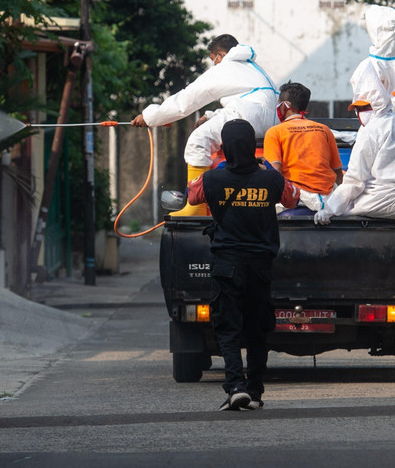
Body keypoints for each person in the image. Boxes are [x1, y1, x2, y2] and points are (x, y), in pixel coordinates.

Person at [187, 119, 300, 410]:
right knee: (257, 329)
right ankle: (256, 391)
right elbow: (292, 198)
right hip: (260, 267)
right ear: (252, 146)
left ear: (225, 148)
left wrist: (222, 168)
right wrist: (267, 168)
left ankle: (236, 386)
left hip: (227, 265)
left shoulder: (212, 179)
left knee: (228, 327)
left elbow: (192, 195)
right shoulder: (271, 179)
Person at [130, 34, 279, 215]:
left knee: (198, 141)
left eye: (213, 59)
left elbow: (186, 100)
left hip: (247, 118)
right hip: (269, 122)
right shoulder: (255, 69)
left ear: (220, 55)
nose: (214, 64)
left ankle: (196, 206)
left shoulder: (225, 68)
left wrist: (149, 117)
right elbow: (249, 103)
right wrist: (211, 116)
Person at [313, 69, 395, 224]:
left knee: (345, 206)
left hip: (388, 203)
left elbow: (355, 181)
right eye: (357, 110)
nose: (358, 113)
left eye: (361, 108)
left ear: (376, 105)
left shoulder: (371, 129)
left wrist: (330, 209)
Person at [262, 81, 342, 212]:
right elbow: (337, 171)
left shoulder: (274, 132)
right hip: (326, 198)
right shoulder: (324, 129)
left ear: (285, 106)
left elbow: (274, 172)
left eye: (279, 103)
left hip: (295, 198)